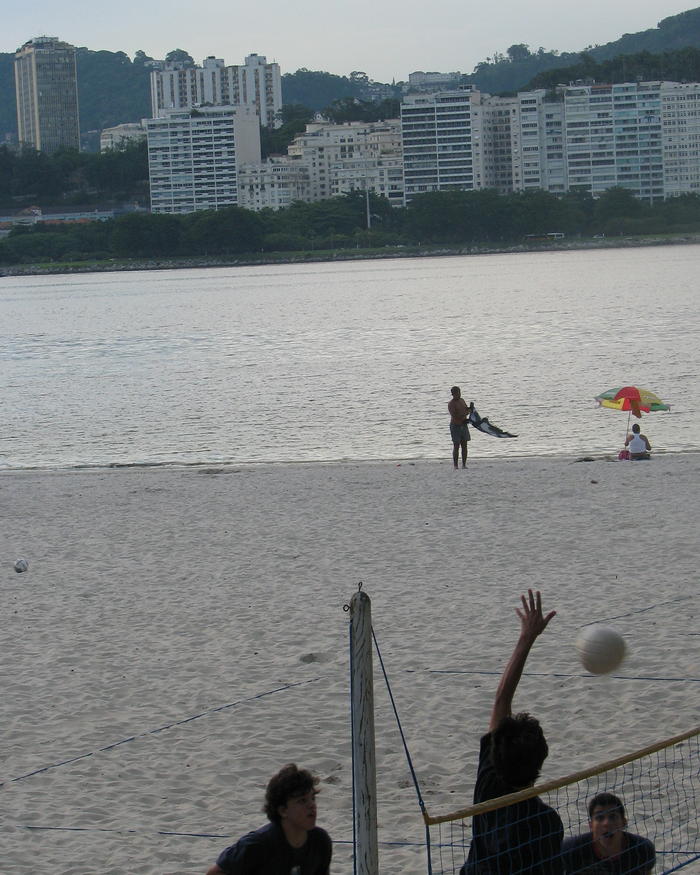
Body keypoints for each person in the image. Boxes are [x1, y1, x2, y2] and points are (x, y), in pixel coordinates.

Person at [461, 590, 564, 874]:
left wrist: (526, 637)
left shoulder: (488, 784)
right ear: (541, 760)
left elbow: (501, 699)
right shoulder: (545, 821)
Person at [206, 763, 332, 875]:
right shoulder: (256, 845)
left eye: (312, 798)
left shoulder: (320, 841)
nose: (311, 805)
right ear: (283, 810)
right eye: (302, 800)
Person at [561, 792, 655, 873]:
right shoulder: (571, 850)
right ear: (591, 825)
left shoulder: (643, 849)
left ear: (623, 823)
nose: (606, 823)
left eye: (613, 817)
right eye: (599, 817)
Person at [448, 386, 473, 469]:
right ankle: (455, 465)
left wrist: (470, 409)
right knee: (456, 445)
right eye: (457, 393)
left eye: (459, 392)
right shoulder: (451, 404)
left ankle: (464, 464)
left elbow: (466, 409)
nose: (458, 395)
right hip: (456, 426)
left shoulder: (462, 400)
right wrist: (466, 414)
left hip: (464, 425)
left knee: (464, 445)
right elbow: (455, 415)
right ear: (453, 394)